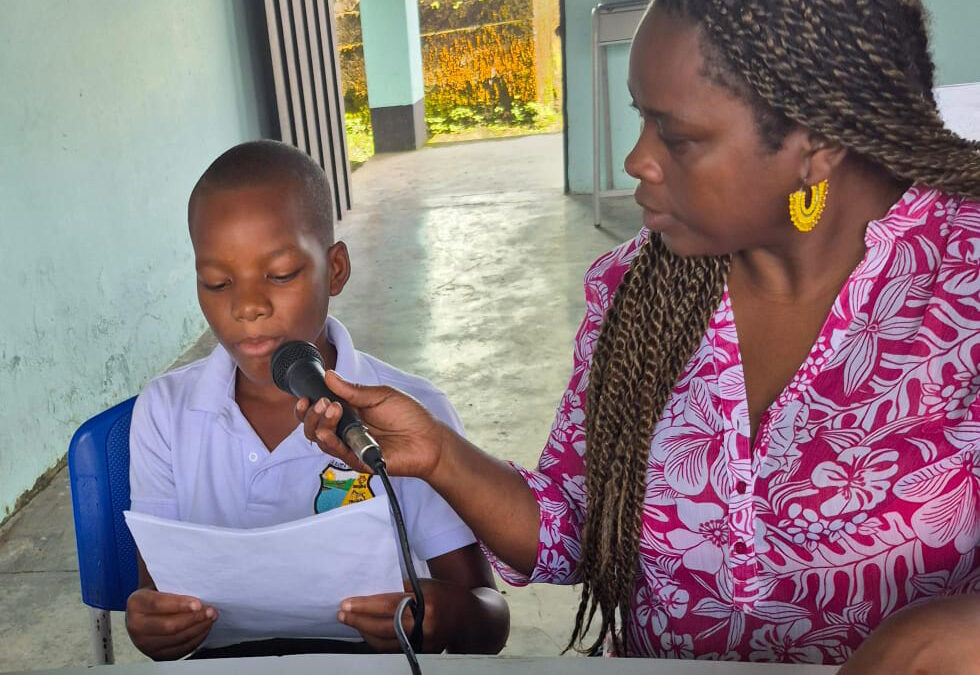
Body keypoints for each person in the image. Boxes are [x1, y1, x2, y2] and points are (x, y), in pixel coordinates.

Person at [297, 0, 980, 669]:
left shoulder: (963, 287)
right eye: (640, 117)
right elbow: (578, 533)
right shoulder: (637, 293)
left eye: (675, 135)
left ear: (817, 142)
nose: (636, 159)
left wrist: (951, 632)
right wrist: (441, 455)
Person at [124, 140, 509, 660]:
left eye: (280, 275)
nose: (248, 306)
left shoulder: (412, 413)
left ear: (336, 269)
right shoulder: (165, 411)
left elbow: (488, 623)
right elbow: (159, 597)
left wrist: (446, 615)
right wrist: (152, 626)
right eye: (217, 283)